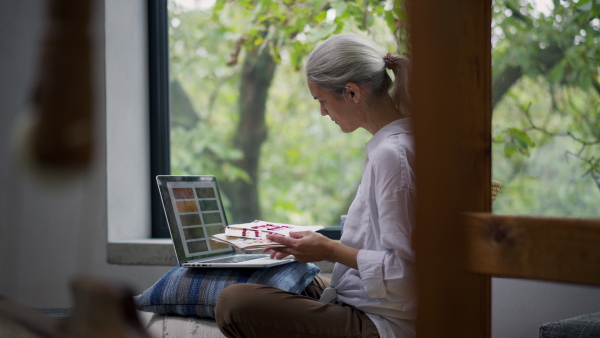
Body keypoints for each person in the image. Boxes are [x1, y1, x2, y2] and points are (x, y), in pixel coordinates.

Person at [215, 33, 417, 338]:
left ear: (352, 93)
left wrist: (330, 250)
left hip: (384, 321)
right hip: (361, 298)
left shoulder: (394, 156)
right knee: (266, 278)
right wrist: (309, 244)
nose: (323, 112)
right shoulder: (391, 147)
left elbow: (410, 274)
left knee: (234, 303)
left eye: (322, 101)